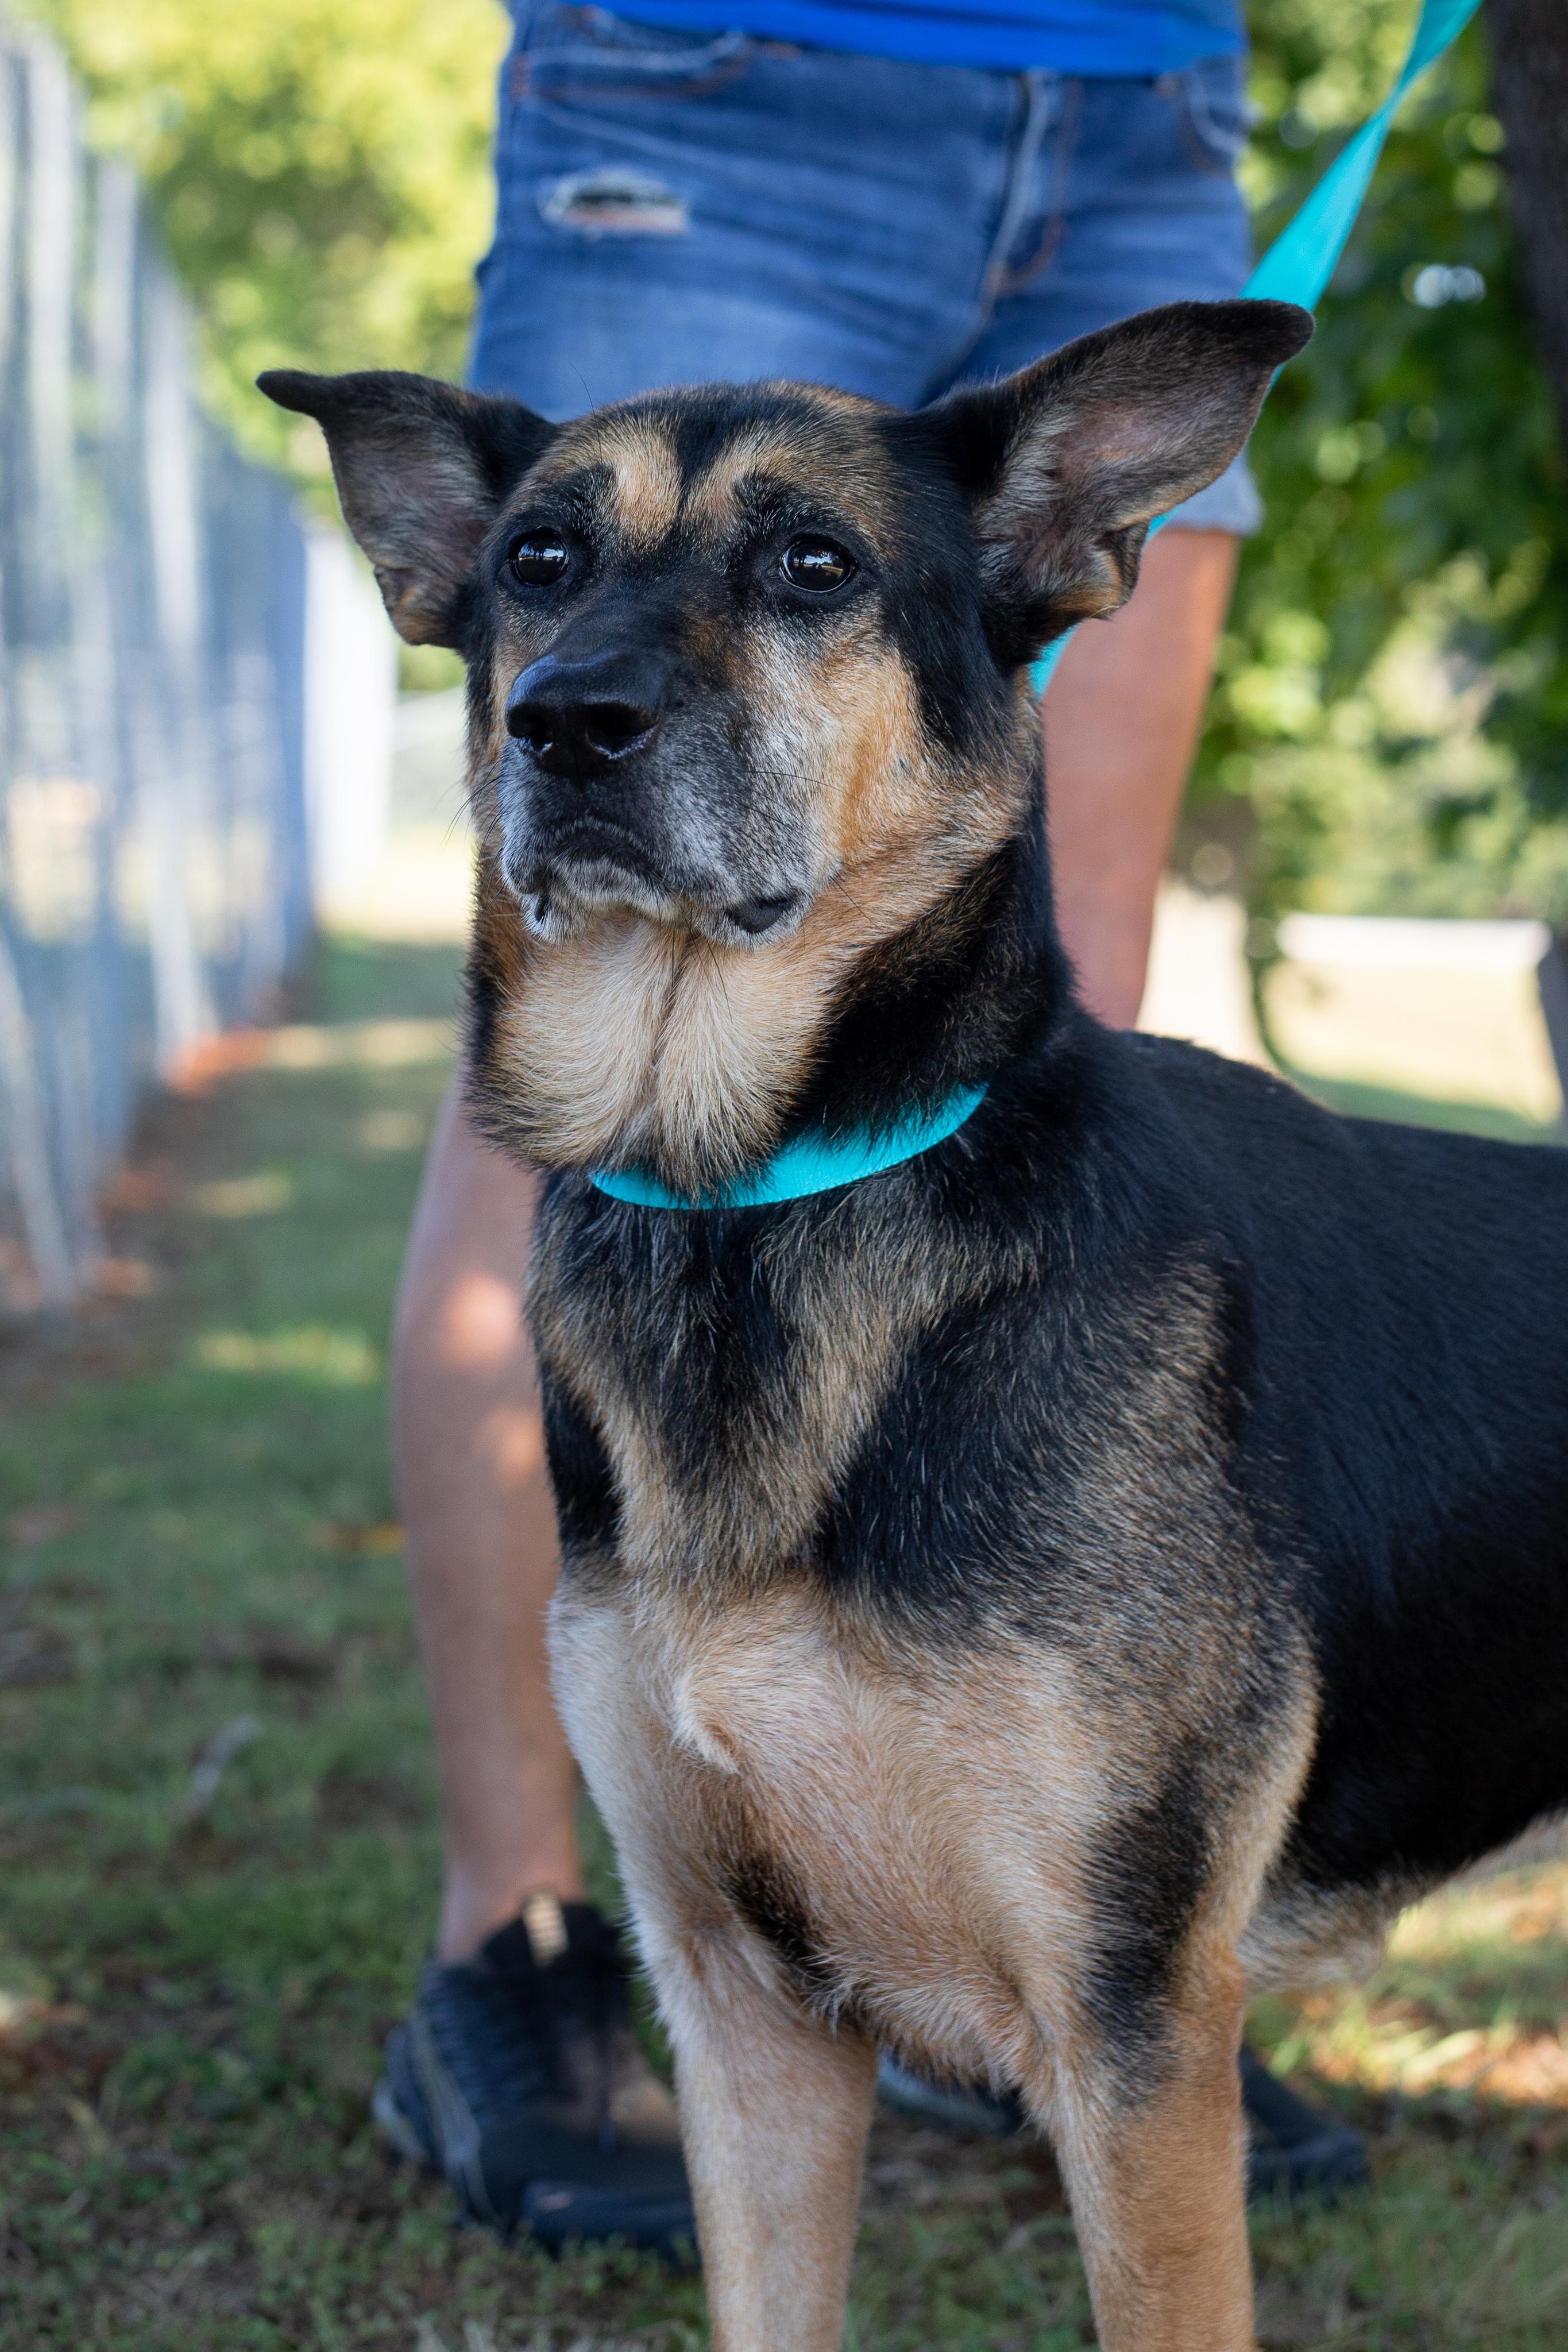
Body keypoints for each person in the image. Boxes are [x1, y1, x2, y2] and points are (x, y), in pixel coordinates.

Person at [373, 0, 1366, 2247]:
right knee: (580, 1073)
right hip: (733, 69)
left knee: (1036, 1015)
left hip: (1142, 107)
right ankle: (532, 1945)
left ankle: (1058, 1882)